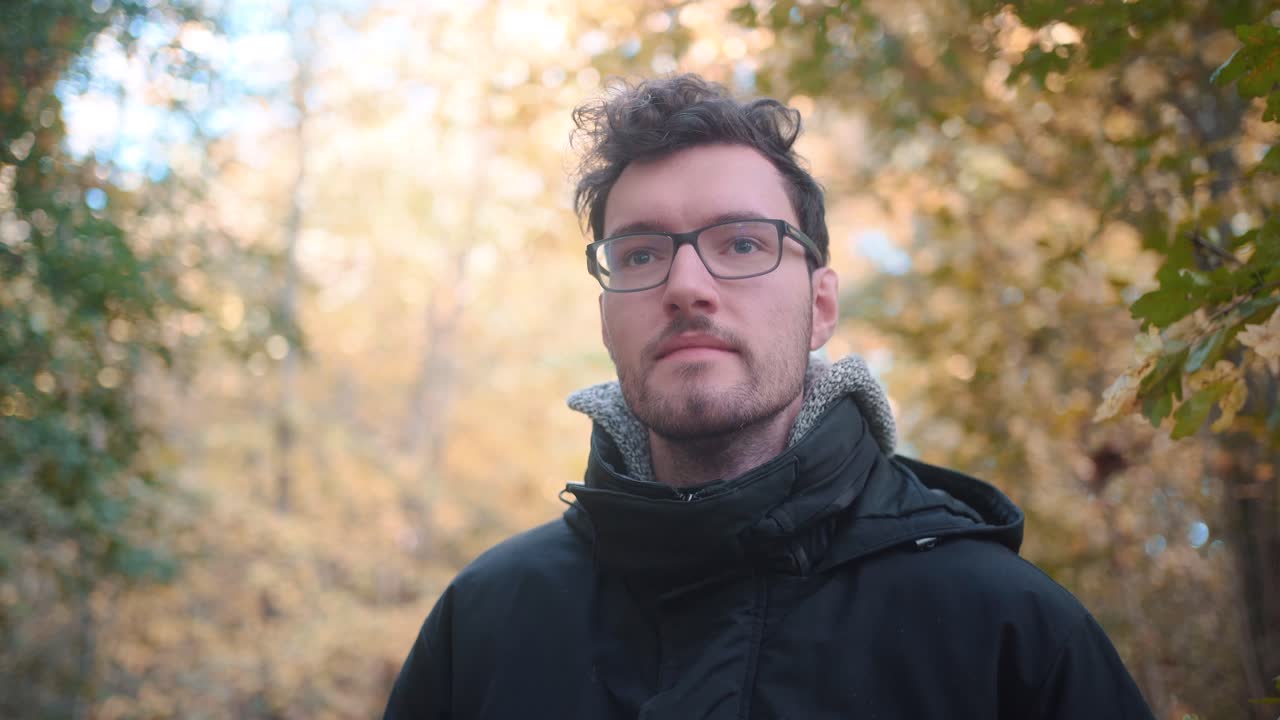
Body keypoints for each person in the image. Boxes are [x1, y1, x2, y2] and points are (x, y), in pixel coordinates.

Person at [383, 74, 1155, 719]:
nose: (687, 286)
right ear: (607, 318)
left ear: (821, 306)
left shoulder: (1006, 629)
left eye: (744, 243)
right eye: (642, 254)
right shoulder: (486, 622)